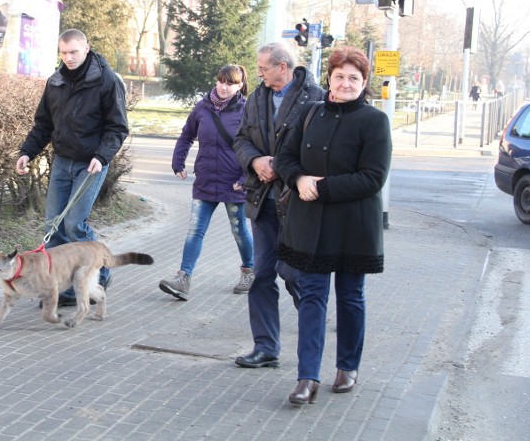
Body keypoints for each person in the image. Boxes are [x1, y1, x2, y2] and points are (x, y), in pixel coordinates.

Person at [272, 46, 392, 405]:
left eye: (354, 78)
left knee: (351, 296)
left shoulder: (374, 121)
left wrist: (321, 187)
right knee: (312, 297)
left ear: (364, 82)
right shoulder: (312, 113)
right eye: (340, 76)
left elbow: (373, 177)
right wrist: (298, 179)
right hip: (310, 224)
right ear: (330, 78)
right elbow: (285, 157)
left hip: (353, 225)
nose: (345, 83)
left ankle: (347, 366)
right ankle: (307, 377)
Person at [16, 29, 129, 306]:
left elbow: (117, 128)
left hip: (91, 164)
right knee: (54, 228)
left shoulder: (107, 82)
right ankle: (64, 290)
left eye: (74, 52)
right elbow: (43, 124)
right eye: (64, 53)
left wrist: (102, 157)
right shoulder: (56, 82)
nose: (68, 58)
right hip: (62, 162)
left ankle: (99, 274)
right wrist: (27, 152)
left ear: (87, 48)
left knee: (74, 225)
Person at [232, 43, 326, 369]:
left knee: (294, 274)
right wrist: (255, 160)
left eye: (263, 68)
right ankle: (265, 347)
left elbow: (321, 151)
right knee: (262, 276)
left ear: (283, 67)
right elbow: (241, 139)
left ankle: (314, 336)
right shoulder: (257, 98)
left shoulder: (314, 97)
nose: (258, 73)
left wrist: (287, 169)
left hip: (298, 204)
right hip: (262, 201)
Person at [159, 65, 255, 301]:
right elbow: (186, 135)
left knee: (239, 230)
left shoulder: (246, 111)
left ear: (240, 85)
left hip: (234, 183)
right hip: (205, 181)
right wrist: (178, 162)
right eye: (221, 81)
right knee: (195, 231)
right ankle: (183, 278)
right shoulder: (203, 107)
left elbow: (256, 148)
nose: (224, 87)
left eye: (230, 83)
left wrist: (245, 178)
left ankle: (249, 271)